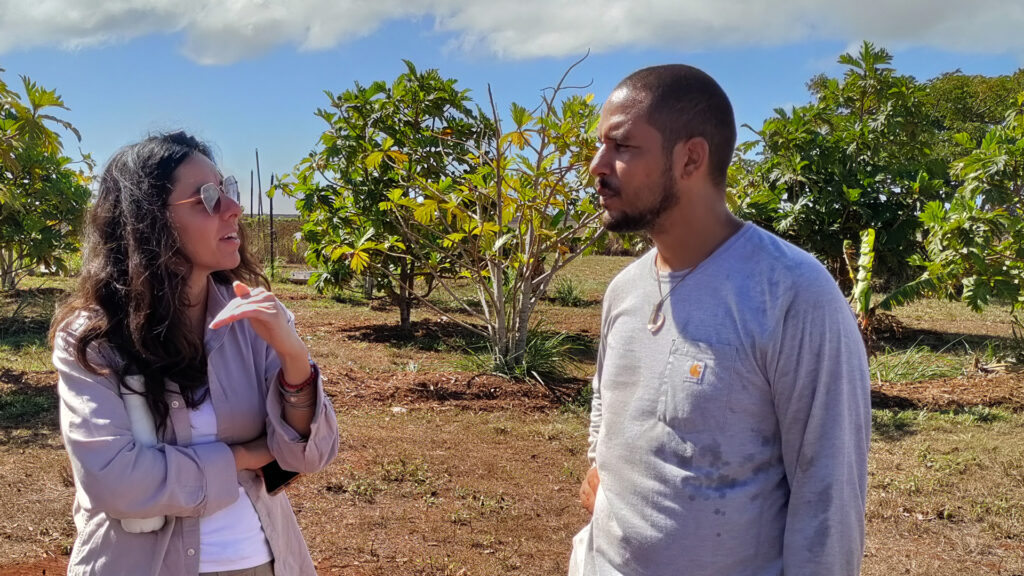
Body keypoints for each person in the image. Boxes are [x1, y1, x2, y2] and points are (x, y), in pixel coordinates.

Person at [574, 65, 871, 575]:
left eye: (622, 147)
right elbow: (607, 405)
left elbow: (829, 492)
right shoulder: (624, 290)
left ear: (690, 158)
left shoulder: (791, 293)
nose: (597, 167)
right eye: (601, 146)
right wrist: (602, 466)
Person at [50, 131, 339, 576]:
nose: (233, 208)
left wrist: (292, 353)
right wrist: (245, 456)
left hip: (264, 561)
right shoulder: (92, 339)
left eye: (227, 189)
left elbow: (308, 455)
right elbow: (116, 481)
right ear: (151, 223)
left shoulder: (256, 318)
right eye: (206, 197)